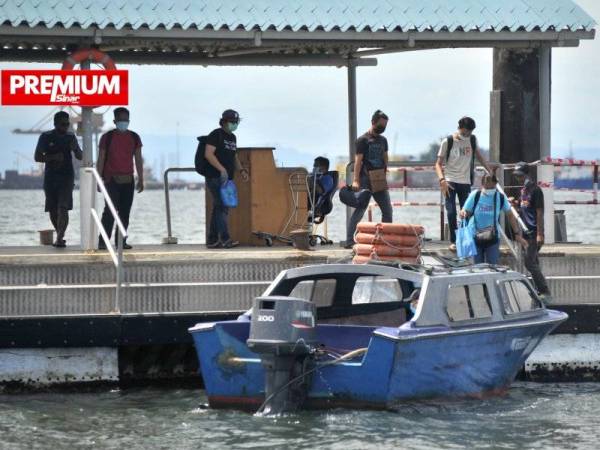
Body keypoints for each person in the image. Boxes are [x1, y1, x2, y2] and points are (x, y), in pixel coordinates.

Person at [435, 117, 493, 252]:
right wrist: (442, 180)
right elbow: (437, 164)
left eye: (470, 132)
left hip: (465, 181)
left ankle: (465, 238)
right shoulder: (448, 141)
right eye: (466, 132)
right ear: (460, 128)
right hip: (449, 181)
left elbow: (479, 156)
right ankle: (454, 241)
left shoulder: (472, 140)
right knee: (451, 212)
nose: (468, 135)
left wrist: (490, 171)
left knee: (466, 212)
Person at [96, 107, 144, 250]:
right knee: (110, 212)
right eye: (121, 120)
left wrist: (141, 179)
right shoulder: (107, 137)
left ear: (128, 121)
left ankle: (121, 241)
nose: (123, 122)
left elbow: (138, 159)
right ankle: (103, 241)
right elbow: (101, 159)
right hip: (111, 180)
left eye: (126, 120)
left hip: (128, 180)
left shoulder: (134, 137)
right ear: (115, 121)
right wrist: (98, 180)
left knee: (125, 212)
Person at [34, 111, 83, 248]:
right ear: (55, 124)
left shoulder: (70, 137)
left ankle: (60, 237)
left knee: (63, 207)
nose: (65, 126)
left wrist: (76, 149)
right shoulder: (45, 137)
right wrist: (53, 157)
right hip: (50, 178)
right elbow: (37, 157)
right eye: (63, 124)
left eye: (67, 124)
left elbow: (80, 156)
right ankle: (59, 233)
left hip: (67, 177)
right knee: (52, 209)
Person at [345, 110, 393, 248]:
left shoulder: (383, 140)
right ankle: (349, 241)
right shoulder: (362, 140)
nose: (382, 128)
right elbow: (358, 161)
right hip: (365, 180)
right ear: (373, 122)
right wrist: (356, 180)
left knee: (387, 211)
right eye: (380, 125)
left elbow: (385, 157)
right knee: (360, 211)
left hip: (379, 181)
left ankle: (385, 239)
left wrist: (384, 170)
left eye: (385, 126)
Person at [204, 109, 249, 249]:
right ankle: (225, 239)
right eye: (232, 122)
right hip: (215, 177)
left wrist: (241, 170)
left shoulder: (233, 137)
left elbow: (233, 156)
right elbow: (208, 154)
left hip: (227, 180)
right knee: (222, 208)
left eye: (236, 122)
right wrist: (221, 169)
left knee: (218, 208)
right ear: (224, 121)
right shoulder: (216, 134)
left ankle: (212, 240)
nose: (234, 124)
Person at [460, 174, 528, 265]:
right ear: (482, 185)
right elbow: (465, 211)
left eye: (492, 187)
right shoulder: (475, 195)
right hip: (474, 236)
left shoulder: (500, 197)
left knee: (493, 267)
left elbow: (510, 215)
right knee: (477, 268)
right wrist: (463, 212)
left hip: (493, 238)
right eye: (487, 187)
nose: (490, 190)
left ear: (496, 185)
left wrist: (516, 233)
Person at [512, 162, 551, 299]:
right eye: (516, 176)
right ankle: (538, 290)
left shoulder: (536, 190)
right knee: (534, 262)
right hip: (525, 231)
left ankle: (544, 291)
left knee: (529, 262)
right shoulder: (523, 191)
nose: (519, 179)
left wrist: (540, 234)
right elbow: (523, 208)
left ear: (527, 175)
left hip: (534, 232)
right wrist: (515, 204)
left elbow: (539, 213)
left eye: (521, 176)